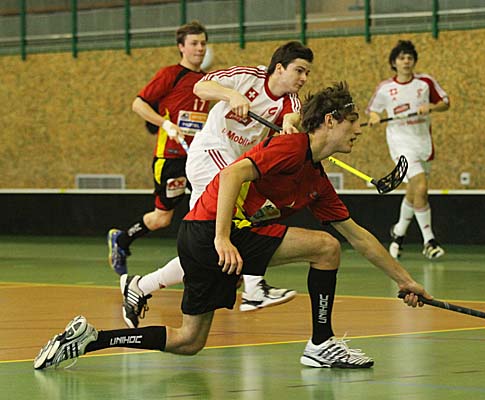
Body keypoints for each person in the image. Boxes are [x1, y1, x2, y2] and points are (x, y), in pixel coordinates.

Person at [33, 82, 431, 371]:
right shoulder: (289, 147)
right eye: (353, 123)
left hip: (211, 237)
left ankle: (90, 339)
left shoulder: (316, 179)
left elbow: (359, 237)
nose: (359, 131)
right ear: (330, 121)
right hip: (212, 233)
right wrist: (222, 237)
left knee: (189, 341)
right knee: (325, 248)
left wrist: (406, 281)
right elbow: (231, 174)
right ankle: (321, 343)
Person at [118, 41, 313, 328]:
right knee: (248, 205)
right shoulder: (248, 76)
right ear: (280, 68)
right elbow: (201, 87)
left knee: (202, 247)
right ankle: (254, 288)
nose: (304, 78)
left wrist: (289, 126)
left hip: (229, 167)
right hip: (209, 154)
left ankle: (140, 286)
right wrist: (231, 95)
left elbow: (292, 115)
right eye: (299, 70)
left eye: (307, 73)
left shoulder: (290, 101)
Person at [107, 21, 211, 277]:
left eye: (203, 43)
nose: (200, 48)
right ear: (181, 47)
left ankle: (219, 267)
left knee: (212, 208)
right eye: (194, 43)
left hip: (198, 158)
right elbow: (138, 104)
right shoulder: (170, 74)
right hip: (171, 158)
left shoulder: (207, 81)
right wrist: (165, 123)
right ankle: (122, 240)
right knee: (162, 218)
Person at [367, 40, 450, 260]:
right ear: (394, 62)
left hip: (423, 142)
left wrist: (431, 106)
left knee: (414, 192)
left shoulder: (425, 82)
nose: (406, 61)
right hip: (400, 143)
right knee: (421, 186)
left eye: (409, 58)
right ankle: (429, 241)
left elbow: (445, 102)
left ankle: (398, 234)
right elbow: (373, 110)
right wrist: (374, 117)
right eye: (401, 58)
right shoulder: (385, 88)